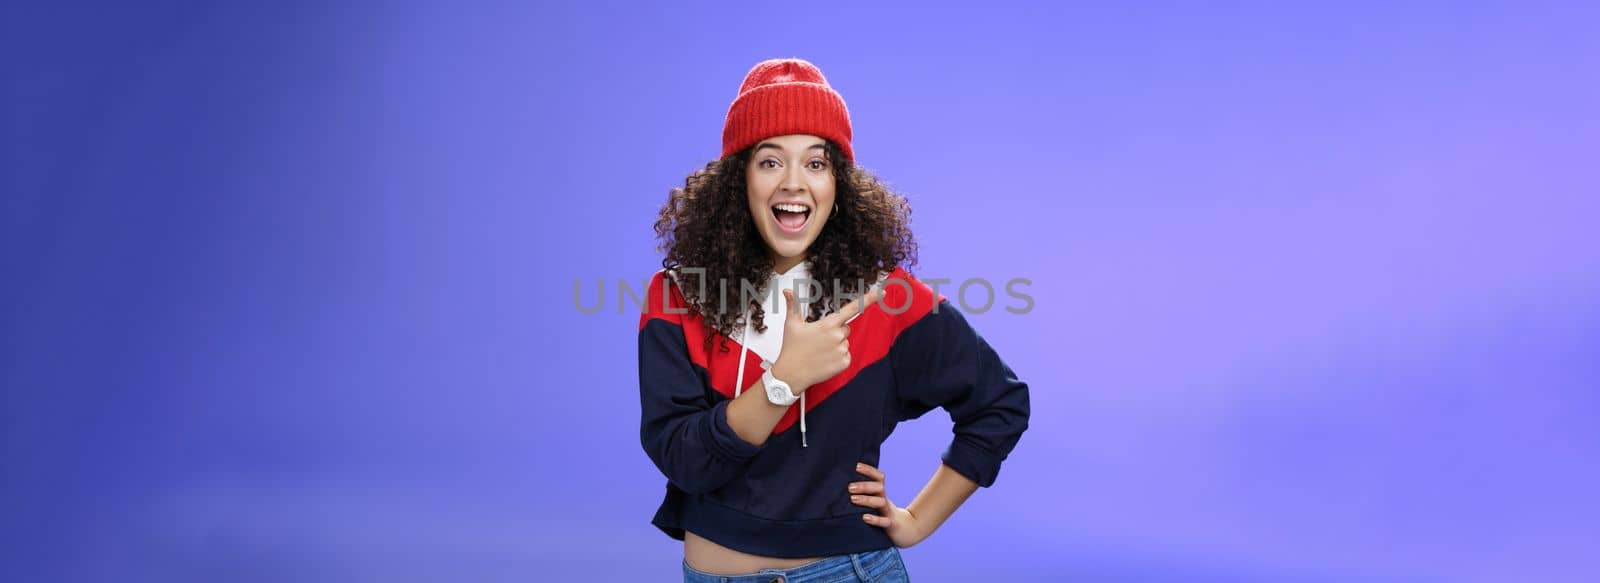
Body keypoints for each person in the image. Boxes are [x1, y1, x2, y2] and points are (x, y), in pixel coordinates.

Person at [638, 57, 1030, 583]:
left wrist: (916, 521)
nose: (793, 183)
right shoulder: (679, 297)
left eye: (816, 163)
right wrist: (783, 381)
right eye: (770, 161)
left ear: (838, 187)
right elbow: (686, 463)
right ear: (739, 182)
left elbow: (999, 402)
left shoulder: (883, 299)